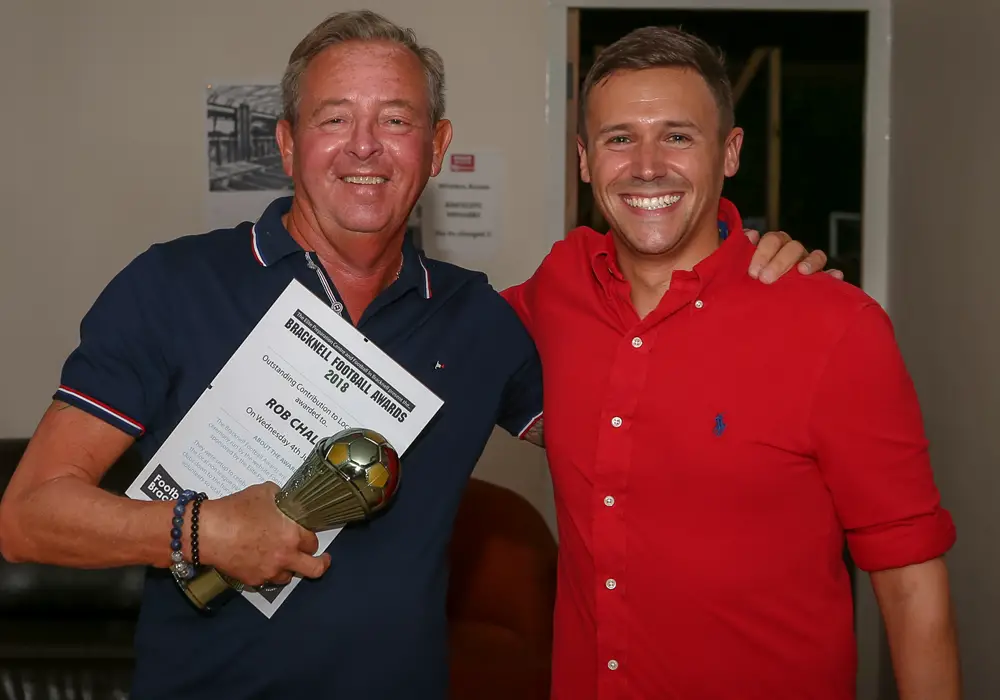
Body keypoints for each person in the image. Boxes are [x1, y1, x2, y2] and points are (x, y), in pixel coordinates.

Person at [0, 11, 828, 700]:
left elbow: (641, 424)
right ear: (287, 144)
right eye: (334, 119)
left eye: (395, 120)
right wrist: (201, 530)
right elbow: (27, 518)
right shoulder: (173, 285)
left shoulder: (479, 322)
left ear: (435, 148)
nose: (366, 147)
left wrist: (736, 273)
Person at [502, 25, 960, 700]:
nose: (648, 164)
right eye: (619, 137)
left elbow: (913, 588)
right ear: (584, 158)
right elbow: (431, 340)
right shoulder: (561, 284)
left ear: (731, 152)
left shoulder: (836, 328)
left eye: (678, 135)